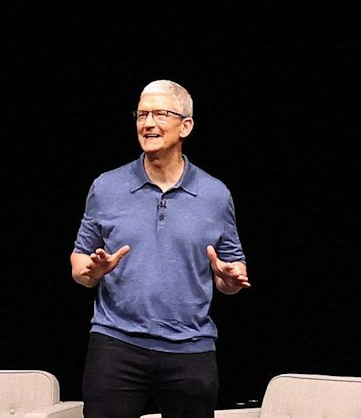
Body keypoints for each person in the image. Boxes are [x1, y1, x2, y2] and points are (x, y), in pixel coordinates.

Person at [70, 79, 249, 418]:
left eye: (160, 114)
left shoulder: (215, 194)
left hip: (191, 350)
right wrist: (89, 272)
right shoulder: (106, 186)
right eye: (142, 114)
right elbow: (80, 258)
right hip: (116, 345)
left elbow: (232, 269)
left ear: (186, 125)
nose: (148, 123)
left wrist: (229, 279)